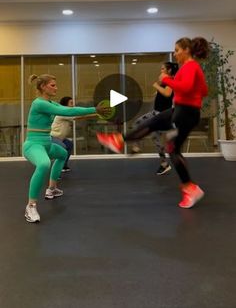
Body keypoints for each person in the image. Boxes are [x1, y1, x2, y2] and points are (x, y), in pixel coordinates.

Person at [97, 37, 209, 209]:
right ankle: (118, 140)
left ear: (186, 50)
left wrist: (166, 79)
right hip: (180, 110)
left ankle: (190, 188)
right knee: (153, 122)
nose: (175, 53)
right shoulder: (191, 68)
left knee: (172, 148)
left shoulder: (191, 66)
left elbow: (185, 88)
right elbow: (203, 90)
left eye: (177, 50)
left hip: (185, 113)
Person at [23, 74, 107, 223]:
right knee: (43, 164)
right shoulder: (39, 103)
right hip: (33, 144)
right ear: (43, 87)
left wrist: (96, 112)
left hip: (47, 143)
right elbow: (68, 112)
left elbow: (71, 110)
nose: (56, 87)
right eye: (53, 85)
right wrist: (94, 108)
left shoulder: (52, 103)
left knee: (62, 154)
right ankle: (31, 206)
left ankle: (52, 188)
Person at [130, 61, 179, 175]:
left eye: (163, 69)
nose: (161, 71)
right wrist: (158, 87)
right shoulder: (165, 82)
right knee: (155, 138)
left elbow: (167, 93)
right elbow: (164, 95)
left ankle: (136, 146)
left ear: (169, 71)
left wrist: (157, 85)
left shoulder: (170, 81)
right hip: (156, 113)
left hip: (160, 115)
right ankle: (164, 164)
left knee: (138, 123)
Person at [51, 96, 97, 173]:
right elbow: (78, 116)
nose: (73, 105)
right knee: (62, 149)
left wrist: (96, 114)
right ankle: (56, 170)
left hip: (61, 138)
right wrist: (96, 113)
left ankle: (63, 165)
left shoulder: (66, 113)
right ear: (65, 105)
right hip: (53, 138)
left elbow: (78, 116)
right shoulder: (62, 113)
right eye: (71, 103)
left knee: (69, 145)